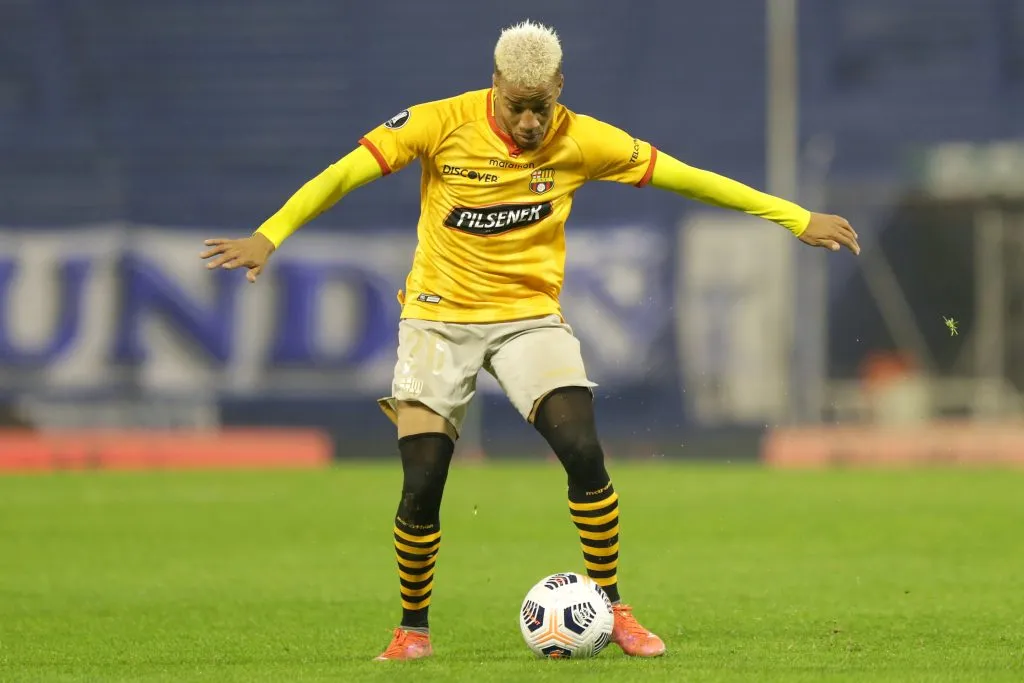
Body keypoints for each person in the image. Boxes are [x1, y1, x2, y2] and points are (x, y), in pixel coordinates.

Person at [200, 20, 860, 662]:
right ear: (494, 84)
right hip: (436, 319)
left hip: (528, 318)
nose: (529, 124)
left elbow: (689, 177)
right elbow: (344, 173)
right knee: (423, 481)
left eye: (541, 108)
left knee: (582, 448)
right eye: (517, 108)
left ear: (560, 87)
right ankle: (412, 629)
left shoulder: (584, 140)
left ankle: (614, 605)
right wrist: (271, 233)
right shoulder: (438, 122)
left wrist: (796, 217)